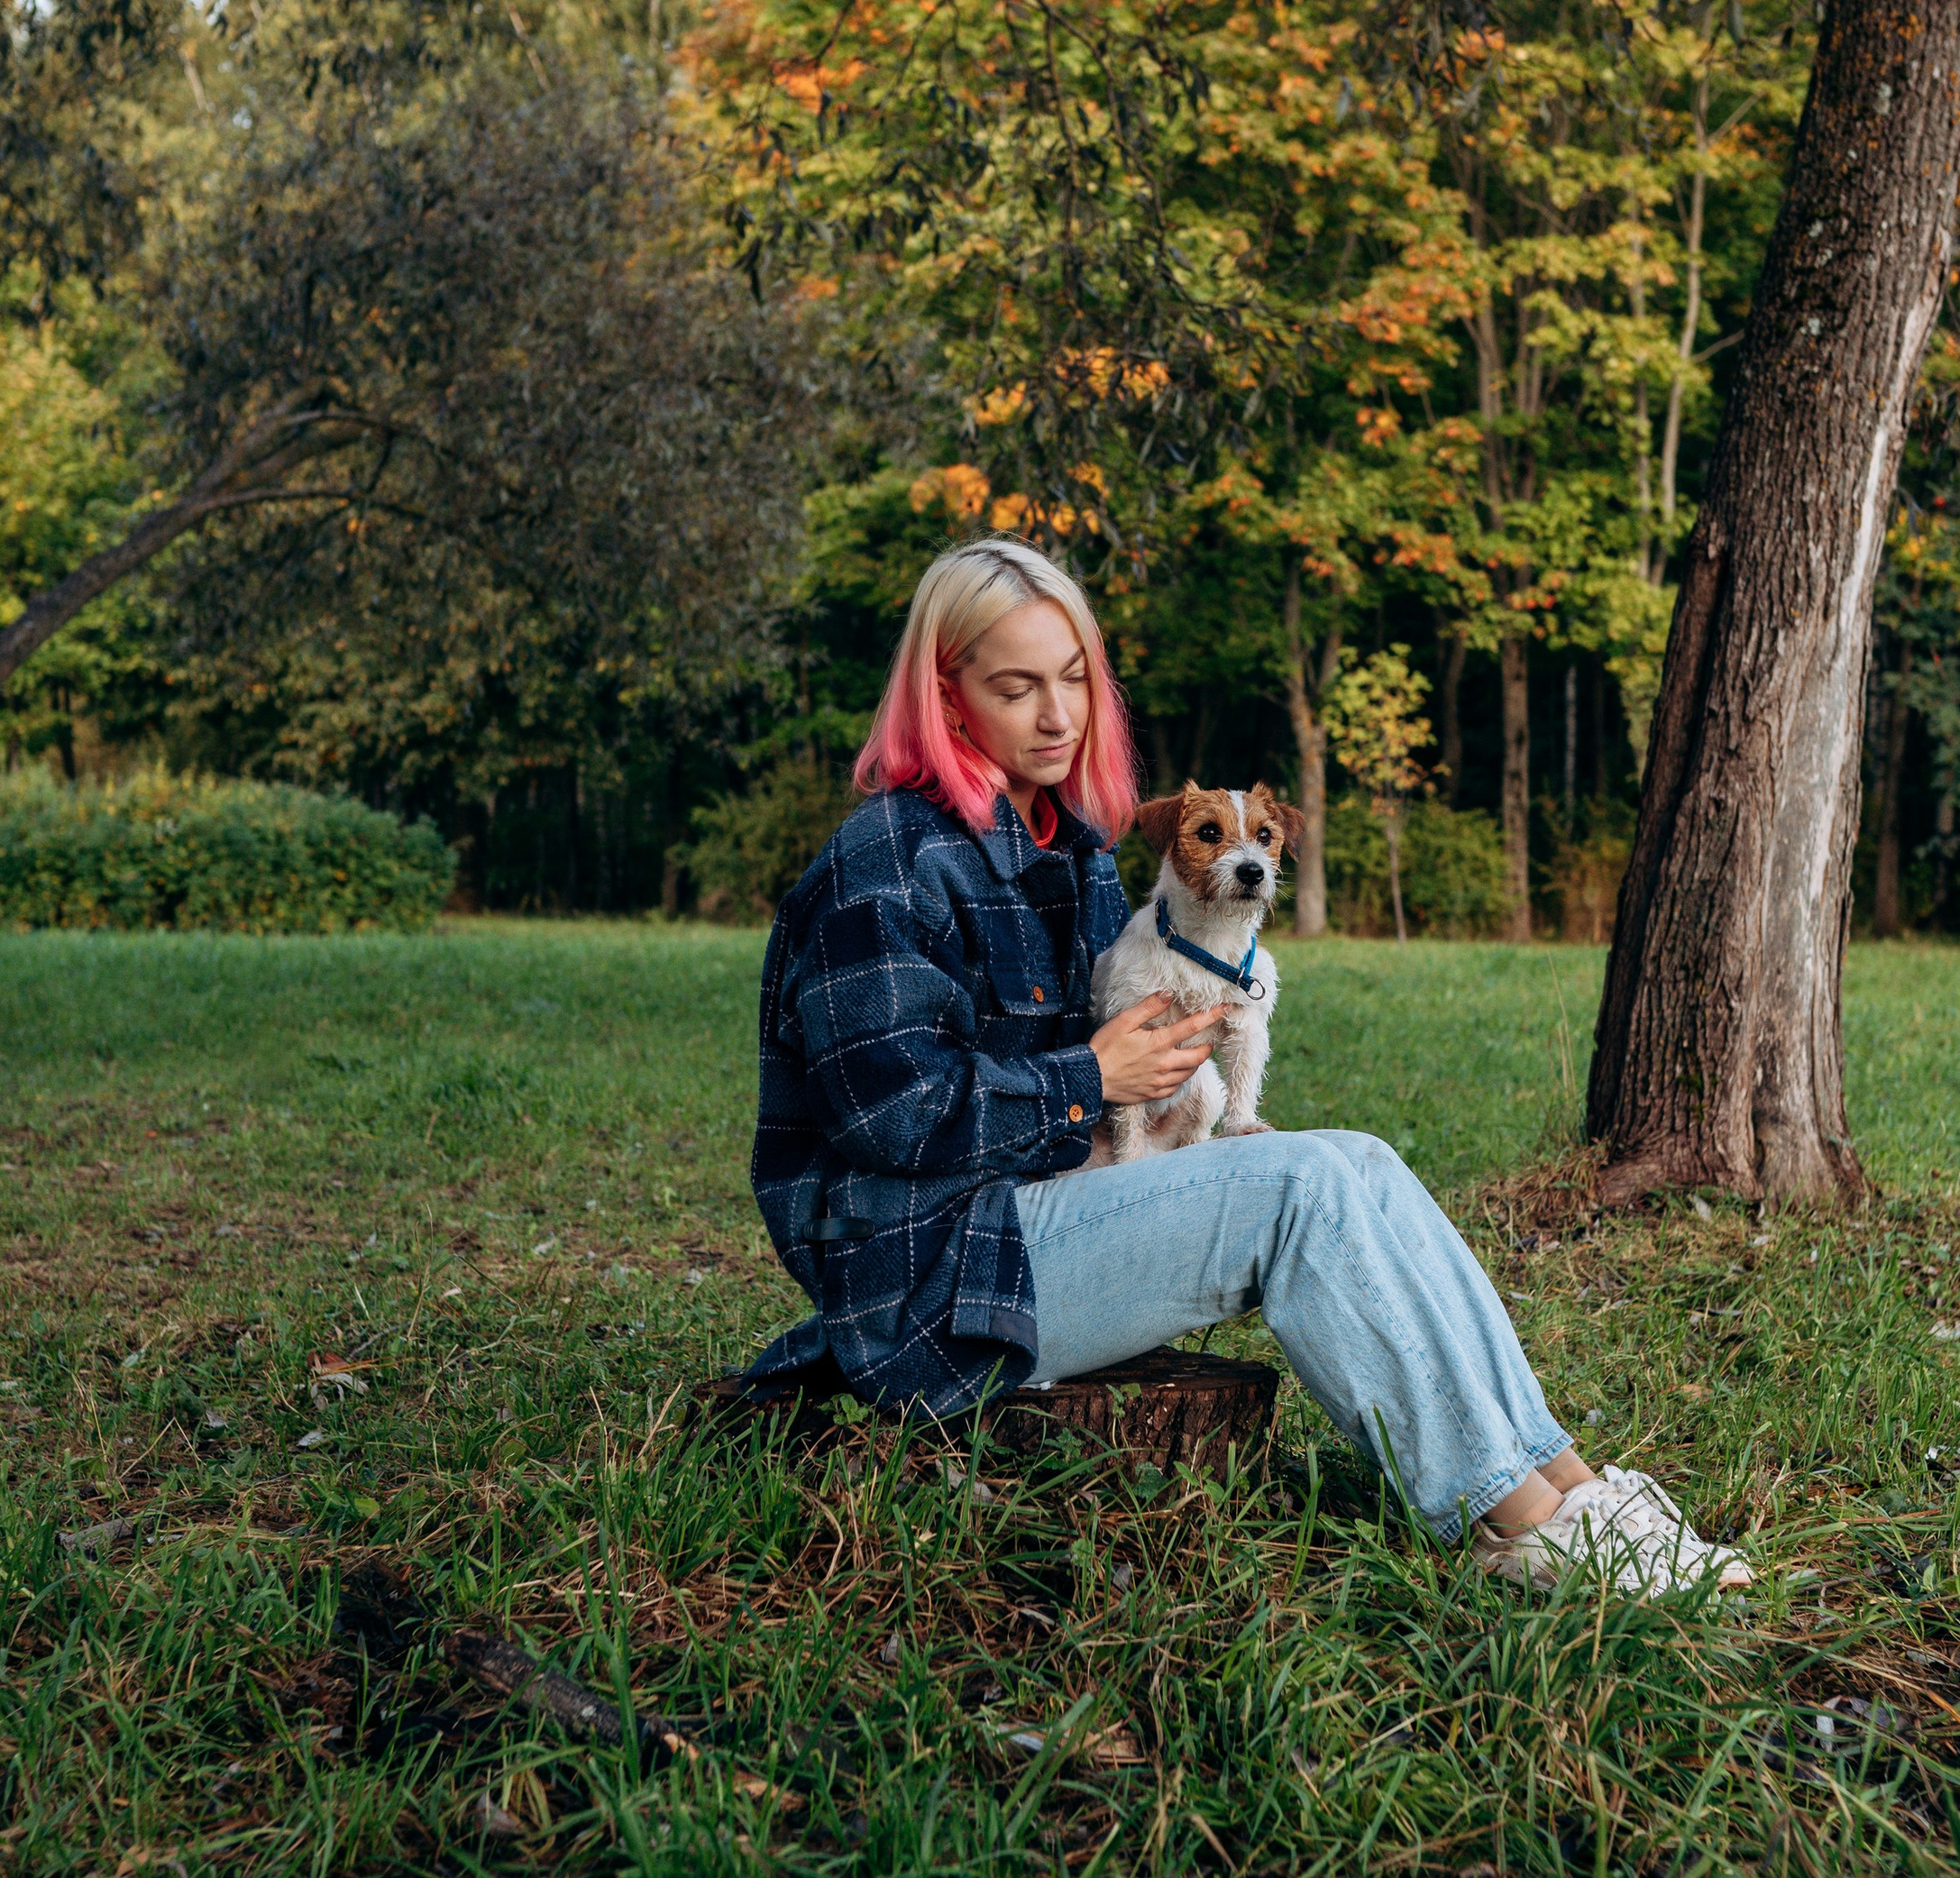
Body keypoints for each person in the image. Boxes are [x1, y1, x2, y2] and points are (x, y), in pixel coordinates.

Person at [746, 536, 1751, 1594]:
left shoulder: (1068, 849)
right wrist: (1091, 1076)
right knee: (1299, 1187)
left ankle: (1574, 1488)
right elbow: (891, 1115)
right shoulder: (886, 862)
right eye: (1015, 687)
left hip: (1046, 1209)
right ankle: (1522, 1527)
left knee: (1356, 1159)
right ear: (945, 697)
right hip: (936, 1284)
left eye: (1075, 678)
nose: (1057, 715)